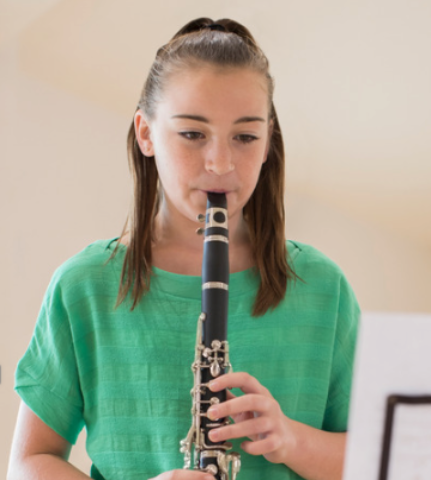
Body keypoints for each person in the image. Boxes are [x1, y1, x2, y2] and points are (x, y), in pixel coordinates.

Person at [8, 17, 360, 480]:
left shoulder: (322, 287)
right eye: (193, 134)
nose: (220, 163)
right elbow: (29, 462)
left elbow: (379, 459)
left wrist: (291, 440)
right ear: (146, 133)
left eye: (246, 136)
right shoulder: (84, 285)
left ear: (269, 138)